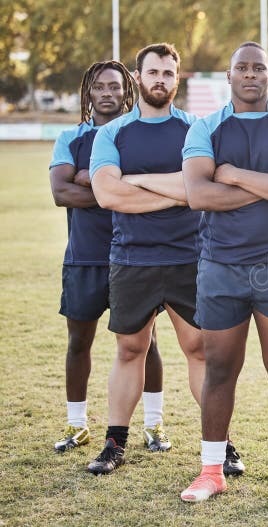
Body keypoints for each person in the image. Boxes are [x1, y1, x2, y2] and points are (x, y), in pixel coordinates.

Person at [179, 41, 268, 502]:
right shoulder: (205, 127)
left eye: (260, 67)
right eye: (243, 67)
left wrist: (235, 175)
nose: (251, 74)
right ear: (230, 75)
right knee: (220, 369)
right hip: (221, 266)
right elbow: (198, 194)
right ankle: (211, 472)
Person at [86, 43, 206, 475]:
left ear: (178, 78)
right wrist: (174, 191)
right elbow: (106, 194)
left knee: (200, 349)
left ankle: (220, 445)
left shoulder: (195, 129)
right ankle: (115, 444)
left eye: (168, 73)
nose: (160, 80)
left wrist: (136, 183)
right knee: (130, 349)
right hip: (132, 259)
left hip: (189, 258)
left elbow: (199, 189)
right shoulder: (112, 133)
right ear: (138, 77)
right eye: (153, 72)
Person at [49, 60, 165, 453]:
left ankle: (153, 425)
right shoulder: (70, 137)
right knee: (78, 341)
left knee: (146, 344)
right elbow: (60, 192)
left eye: (115, 86)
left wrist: (90, 179)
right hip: (85, 257)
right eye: (100, 86)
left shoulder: (132, 136)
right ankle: (77, 424)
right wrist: (111, 191)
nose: (108, 93)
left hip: (135, 257)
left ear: (126, 91)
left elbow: (141, 191)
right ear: (88, 93)